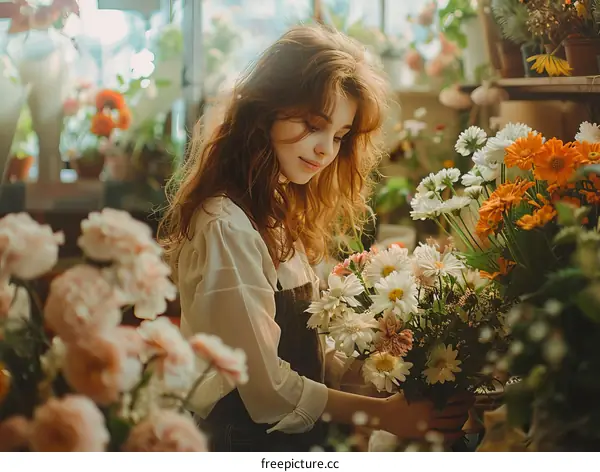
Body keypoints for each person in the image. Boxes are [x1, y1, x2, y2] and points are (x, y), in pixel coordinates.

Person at [159, 24, 471, 452]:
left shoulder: (274, 210)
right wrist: (388, 415)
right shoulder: (225, 224)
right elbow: (265, 388)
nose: (326, 149)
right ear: (265, 108)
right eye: (313, 125)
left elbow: (309, 355)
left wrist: (397, 377)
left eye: (340, 136)